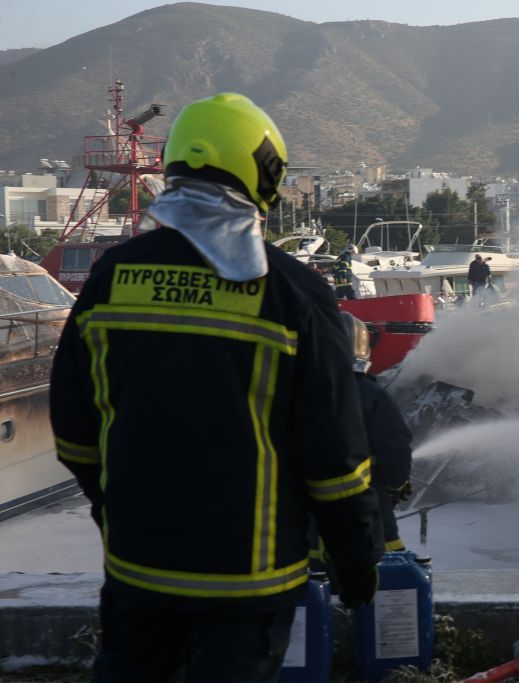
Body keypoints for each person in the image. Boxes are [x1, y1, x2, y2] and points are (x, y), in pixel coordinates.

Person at [49, 92, 383, 682]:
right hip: (249, 578)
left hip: (138, 568)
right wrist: (357, 561)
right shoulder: (294, 294)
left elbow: (75, 430)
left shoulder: (109, 278)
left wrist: (114, 509)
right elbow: (336, 458)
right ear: (261, 174)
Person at [339, 312, 414, 552]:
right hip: (369, 508)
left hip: (304, 521)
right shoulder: (374, 397)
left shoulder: (295, 393)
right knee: (388, 579)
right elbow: (396, 447)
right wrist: (396, 484)